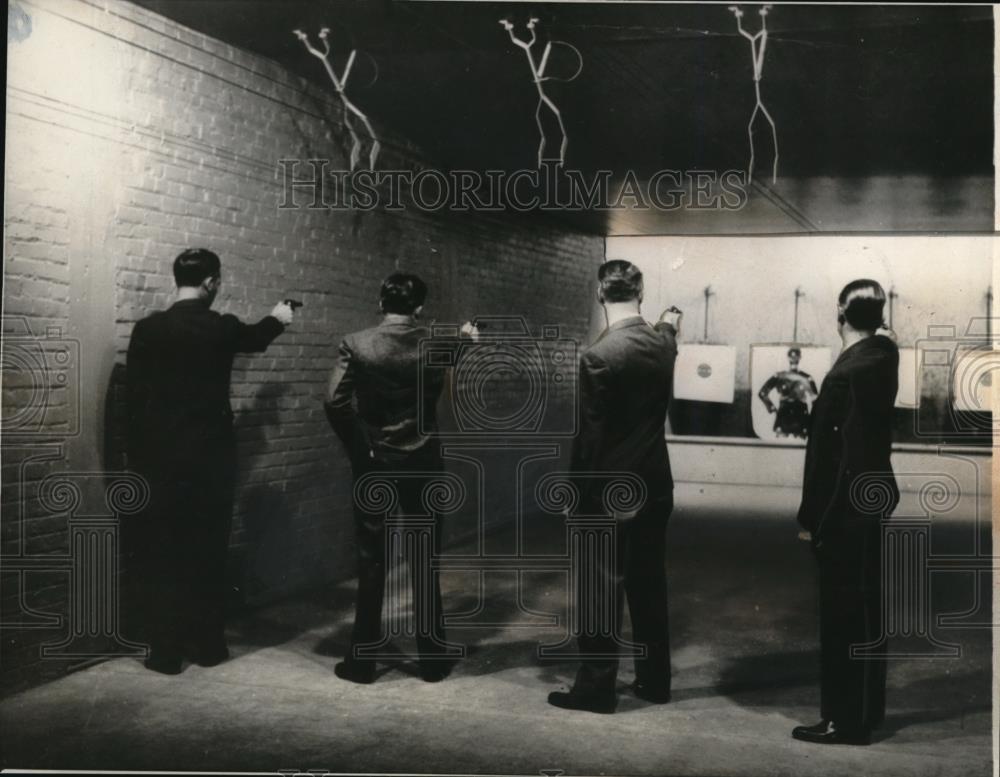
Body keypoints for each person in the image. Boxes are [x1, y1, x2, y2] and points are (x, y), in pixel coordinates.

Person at [126, 248, 294, 674]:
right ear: (211, 283)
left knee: (163, 552)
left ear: (176, 278)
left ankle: (163, 652)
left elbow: (134, 402)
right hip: (211, 461)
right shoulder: (221, 327)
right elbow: (257, 338)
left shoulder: (148, 330)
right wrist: (280, 317)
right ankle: (207, 646)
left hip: (160, 461)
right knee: (207, 550)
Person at [547, 259, 682, 714]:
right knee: (648, 583)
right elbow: (666, 331)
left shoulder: (597, 357)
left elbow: (589, 436)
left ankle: (597, 688)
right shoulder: (663, 344)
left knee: (600, 587)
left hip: (608, 491)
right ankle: (655, 682)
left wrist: (575, 494)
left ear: (600, 295)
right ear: (640, 292)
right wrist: (667, 322)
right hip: (655, 483)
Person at [325, 272, 470, 684]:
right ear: (420, 308)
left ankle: (361, 663)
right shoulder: (437, 344)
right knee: (425, 561)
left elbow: (334, 401)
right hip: (423, 464)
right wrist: (466, 337)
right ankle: (433, 662)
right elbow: (454, 350)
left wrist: (361, 446)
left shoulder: (356, 344)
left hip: (376, 466)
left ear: (379, 300)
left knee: (372, 563)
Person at [792, 279, 899, 745]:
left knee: (841, 620)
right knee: (867, 612)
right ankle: (866, 710)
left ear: (840, 313)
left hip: (842, 510)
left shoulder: (843, 374)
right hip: (871, 502)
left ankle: (844, 721)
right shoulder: (883, 354)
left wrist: (811, 517)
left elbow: (826, 458)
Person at [757, 346, 819, 438]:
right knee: (781, 448)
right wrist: (773, 409)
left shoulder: (806, 378)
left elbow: (816, 400)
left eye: (796, 356)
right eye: (792, 356)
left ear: (799, 357)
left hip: (800, 417)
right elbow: (762, 393)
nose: (794, 358)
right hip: (785, 416)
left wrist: (812, 418)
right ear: (788, 357)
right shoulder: (780, 376)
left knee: (800, 448)